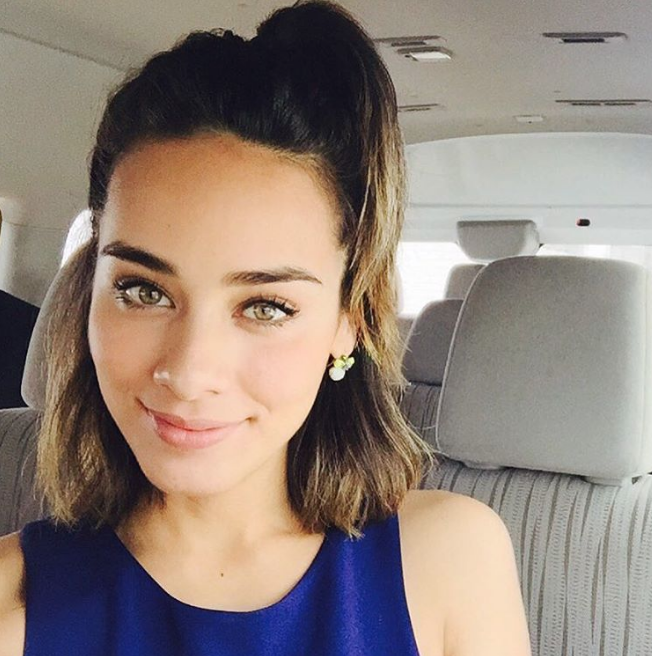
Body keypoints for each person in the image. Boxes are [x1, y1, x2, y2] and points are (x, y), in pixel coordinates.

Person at [0, 2, 531, 654]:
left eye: (265, 307)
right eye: (143, 291)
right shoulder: (12, 601)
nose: (189, 372)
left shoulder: (451, 561)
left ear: (351, 322)